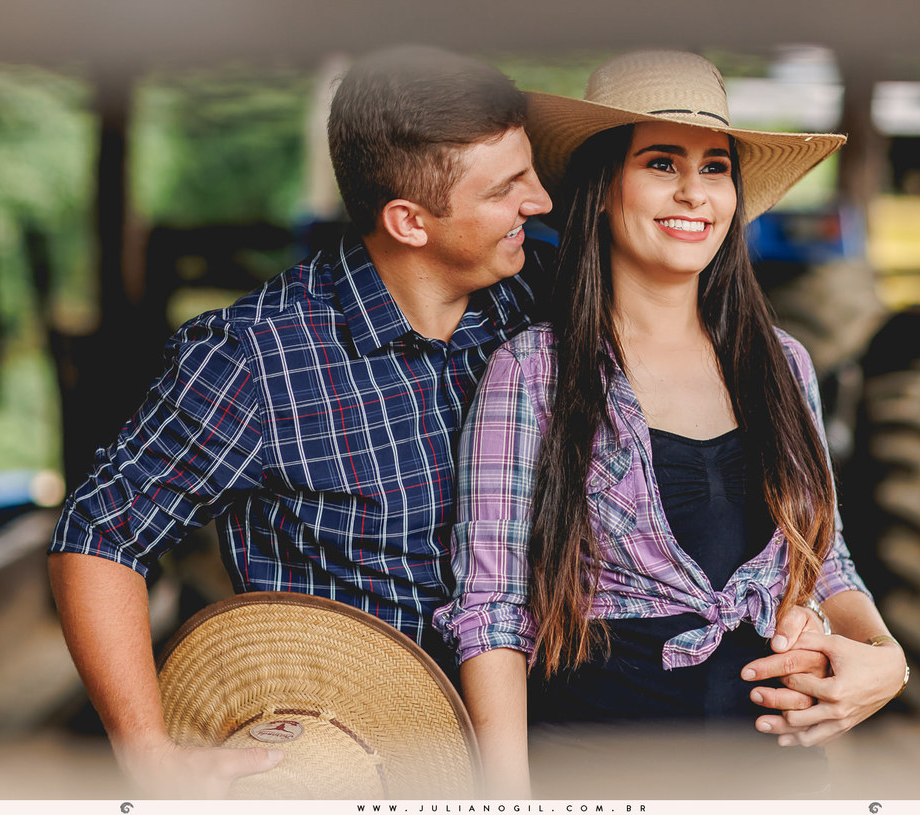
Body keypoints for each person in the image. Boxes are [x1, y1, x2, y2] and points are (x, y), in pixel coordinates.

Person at [46, 45, 554, 798]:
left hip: (541, 742)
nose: (541, 201)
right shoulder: (254, 357)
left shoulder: (531, 299)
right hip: (355, 760)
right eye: (509, 187)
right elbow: (98, 536)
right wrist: (148, 753)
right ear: (409, 221)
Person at [434, 50, 910, 797]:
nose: (695, 192)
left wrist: (885, 654)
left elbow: (827, 561)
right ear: (600, 189)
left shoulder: (783, 365)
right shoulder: (534, 373)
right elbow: (493, 611)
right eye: (662, 163)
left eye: (715, 167)